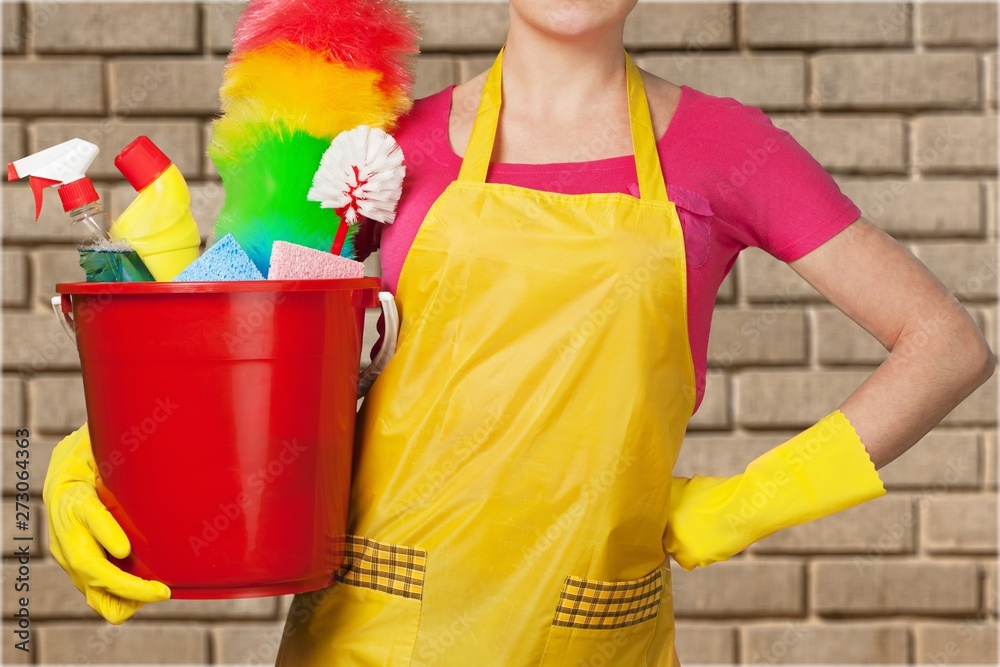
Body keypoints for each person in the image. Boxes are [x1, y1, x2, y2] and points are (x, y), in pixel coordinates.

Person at [44, 1, 995, 665]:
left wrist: (743, 505)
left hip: (592, 638)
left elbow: (944, 343)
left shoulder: (728, 152)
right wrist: (94, 462)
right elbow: (228, 350)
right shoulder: (378, 151)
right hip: (371, 637)